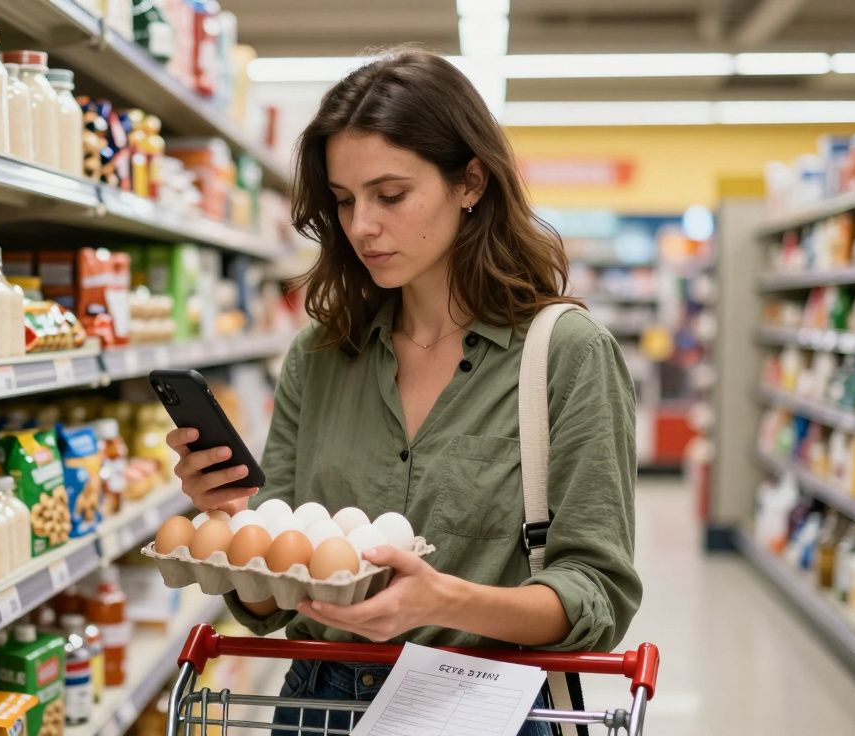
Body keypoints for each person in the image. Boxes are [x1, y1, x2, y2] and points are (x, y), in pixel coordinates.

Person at [167, 49, 641, 736]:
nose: (361, 226)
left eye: (390, 195)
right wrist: (240, 530)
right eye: (343, 200)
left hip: (486, 704)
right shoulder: (321, 355)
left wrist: (443, 601)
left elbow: (597, 594)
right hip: (319, 704)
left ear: (470, 182)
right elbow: (273, 605)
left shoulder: (563, 354)